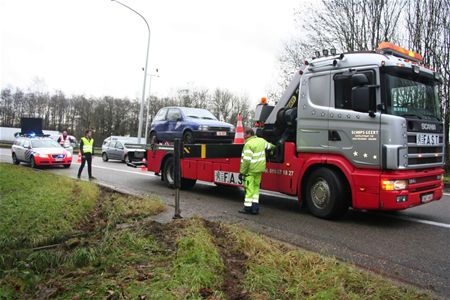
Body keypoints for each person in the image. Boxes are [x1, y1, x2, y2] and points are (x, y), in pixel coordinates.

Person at [239, 127, 274, 215]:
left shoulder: (248, 144)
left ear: (248, 134)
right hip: (259, 169)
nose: (243, 136)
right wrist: (273, 150)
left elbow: (246, 160)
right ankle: (255, 208)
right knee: (255, 188)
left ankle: (247, 208)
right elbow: (271, 146)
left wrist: (242, 172)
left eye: (244, 134)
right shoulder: (261, 141)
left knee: (249, 189)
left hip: (250, 170)